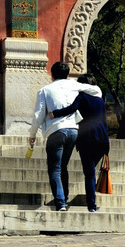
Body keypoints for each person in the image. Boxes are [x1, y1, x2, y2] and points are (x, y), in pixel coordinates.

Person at [28, 61, 102, 211]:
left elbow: (38, 115)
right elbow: (97, 91)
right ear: (67, 74)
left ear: (51, 74)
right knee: (63, 166)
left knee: (54, 169)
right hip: (73, 130)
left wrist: (32, 134)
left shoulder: (44, 90)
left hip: (56, 131)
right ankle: (65, 197)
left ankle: (61, 202)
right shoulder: (74, 85)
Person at [51, 74, 110, 212]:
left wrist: (55, 113)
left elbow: (72, 109)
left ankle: (92, 206)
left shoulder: (82, 96)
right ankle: (92, 205)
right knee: (91, 171)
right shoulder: (100, 99)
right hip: (102, 138)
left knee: (89, 174)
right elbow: (105, 121)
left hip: (87, 137)